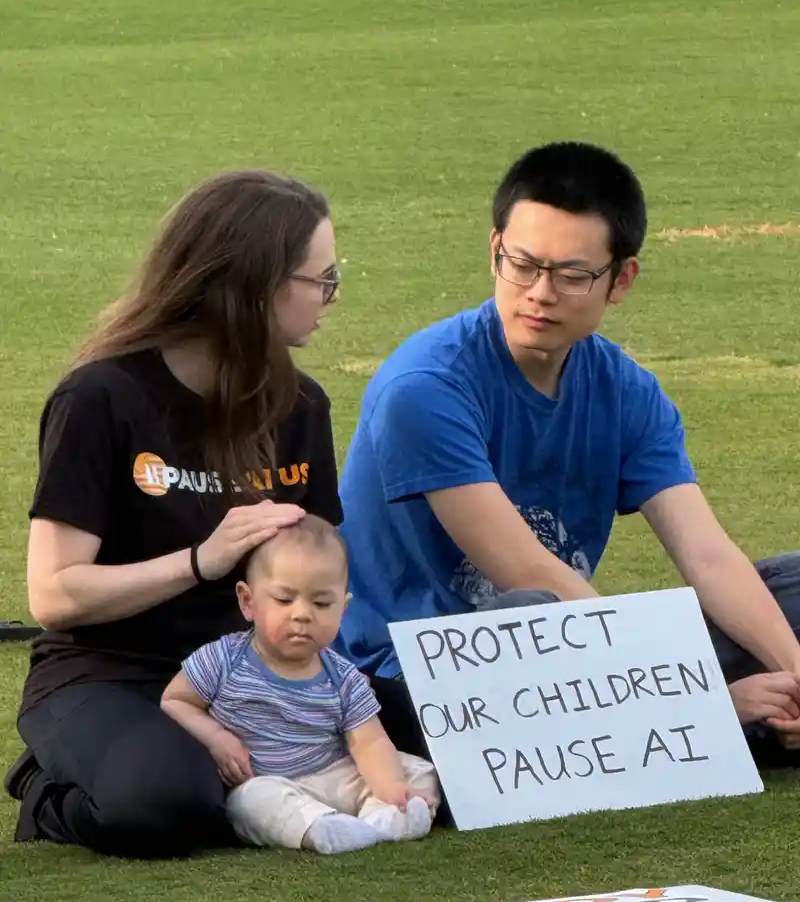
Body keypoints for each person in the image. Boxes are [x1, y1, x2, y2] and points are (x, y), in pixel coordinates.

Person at [335, 141, 800, 769]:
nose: (540, 293)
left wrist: (793, 669)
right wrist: (701, 695)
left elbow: (708, 555)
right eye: (521, 264)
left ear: (621, 279)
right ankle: (717, 717)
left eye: (572, 275)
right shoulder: (424, 388)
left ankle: (759, 709)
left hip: (572, 645)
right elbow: (530, 573)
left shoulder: (626, 390)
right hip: (417, 677)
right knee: (533, 615)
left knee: (791, 591)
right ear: (493, 249)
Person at [4, 169, 346, 858]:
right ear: (253, 286)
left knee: (439, 740)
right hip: (110, 672)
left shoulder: (299, 405)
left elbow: (318, 562)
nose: (331, 298)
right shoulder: (103, 398)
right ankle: (45, 786)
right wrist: (200, 562)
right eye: (322, 279)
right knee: (167, 800)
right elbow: (53, 593)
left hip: (253, 668)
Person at [161, 515, 440, 854]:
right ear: (248, 601)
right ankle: (320, 828)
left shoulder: (344, 676)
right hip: (267, 780)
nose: (302, 614)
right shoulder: (223, 659)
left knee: (417, 770)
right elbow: (175, 700)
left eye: (321, 603)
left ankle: (382, 818)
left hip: (333, 772)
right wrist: (216, 738)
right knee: (252, 802)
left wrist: (392, 786)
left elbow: (368, 743)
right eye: (284, 599)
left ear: (343, 608)